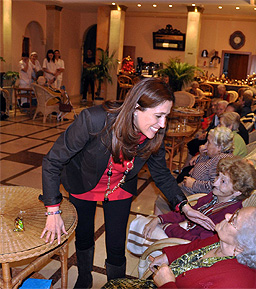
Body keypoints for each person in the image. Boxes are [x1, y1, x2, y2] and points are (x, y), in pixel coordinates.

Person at [39, 78, 215, 289]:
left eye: (166, 116)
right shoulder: (94, 120)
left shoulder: (154, 132)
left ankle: (116, 284)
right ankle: (84, 277)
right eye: (158, 116)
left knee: (115, 244)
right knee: (84, 236)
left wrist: (185, 206)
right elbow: (53, 160)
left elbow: (161, 173)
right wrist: (52, 209)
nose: (163, 124)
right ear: (136, 109)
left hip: (119, 186)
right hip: (84, 182)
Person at [103, 200, 256, 289]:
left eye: (234, 220)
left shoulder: (235, 283)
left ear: (242, 247)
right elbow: (193, 247)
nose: (228, 215)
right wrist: (167, 256)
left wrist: (167, 284)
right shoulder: (224, 242)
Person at [143, 157, 256, 242]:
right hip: (180, 232)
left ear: (238, 191)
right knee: (145, 224)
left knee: (140, 227)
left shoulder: (227, 217)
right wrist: (160, 219)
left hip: (182, 245)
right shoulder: (214, 197)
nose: (215, 182)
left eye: (223, 181)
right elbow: (187, 213)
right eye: (218, 176)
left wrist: (168, 227)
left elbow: (197, 243)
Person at [184, 100, 228, 168]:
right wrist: (206, 132)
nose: (218, 111)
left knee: (193, 144)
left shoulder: (224, 121)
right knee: (191, 143)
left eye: (221, 109)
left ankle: (190, 165)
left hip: (213, 142)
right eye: (217, 109)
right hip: (209, 138)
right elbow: (210, 127)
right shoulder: (216, 116)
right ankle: (188, 164)